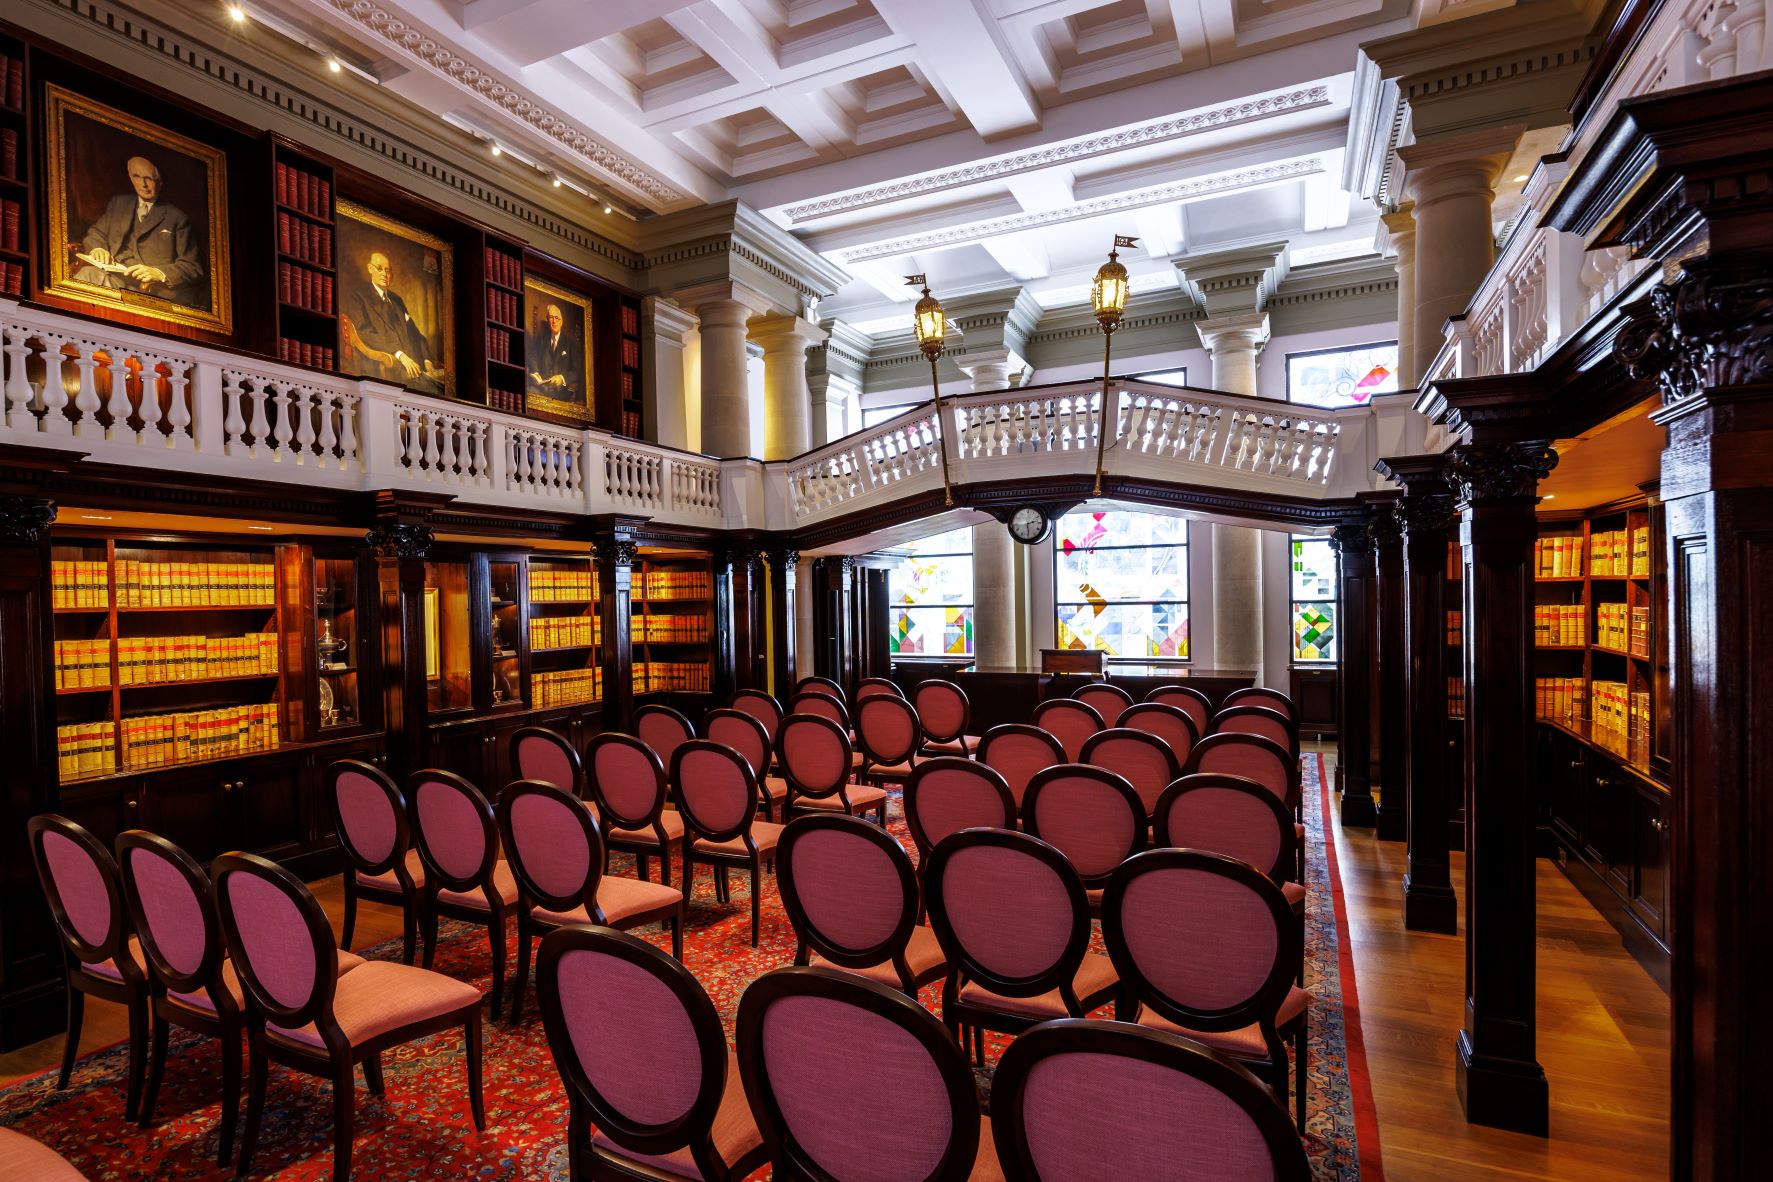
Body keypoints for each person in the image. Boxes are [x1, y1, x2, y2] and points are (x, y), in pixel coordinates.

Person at [73, 155, 206, 308]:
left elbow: (192, 266)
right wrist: (98, 249)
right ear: (130, 177)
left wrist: (159, 273)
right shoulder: (119, 203)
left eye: (148, 178)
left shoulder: (178, 218)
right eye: (137, 176)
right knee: (87, 275)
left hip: (150, 293)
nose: (143, 184)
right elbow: (97, 233)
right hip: (114, 278)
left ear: (160, 182)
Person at [344, 251, 446, 394]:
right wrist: (399, 355)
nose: (384, 274)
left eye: (388, 270)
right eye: (379, 269)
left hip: (417, 369)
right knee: (439, 392)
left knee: (443, 387)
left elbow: (416, 335)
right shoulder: (358, 297)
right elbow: (364, 333)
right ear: (369, 268)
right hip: (390, 371)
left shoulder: (396, 300)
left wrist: (427, 360)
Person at [527, 303, 583, 400]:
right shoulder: (542, 340)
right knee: (528, 392)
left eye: (557, 318)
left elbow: (577, 371)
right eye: (551, 318)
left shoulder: (570, 344)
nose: (554, 321)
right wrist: (535, 371)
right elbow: (532, 356)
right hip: (542, 389)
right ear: (547, 319)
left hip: (562, 392)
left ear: (562, 321)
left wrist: (562, 378)